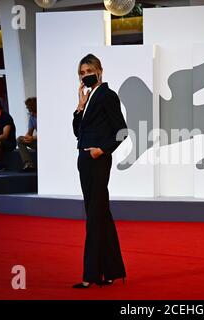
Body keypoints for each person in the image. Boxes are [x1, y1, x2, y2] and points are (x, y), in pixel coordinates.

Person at [72, 54, 128, 288]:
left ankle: (90, 275)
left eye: (89, 71)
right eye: (82, 73)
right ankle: (113, 271)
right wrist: (79, 107)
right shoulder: (88, 99)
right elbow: (78, 132)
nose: (86, 75)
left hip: (97, 160)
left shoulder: (107, 95)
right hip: (84, 159)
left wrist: (102, 150)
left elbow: (122, 131)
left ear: (100, 71)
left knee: (94, 216)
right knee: (101, 215)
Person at [17, 97, 37, 172]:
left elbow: (47, 134)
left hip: (48, 142)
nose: (27, 109)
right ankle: (28, 164)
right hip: (37, 141)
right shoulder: (32, 117)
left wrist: (33, 138)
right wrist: (26, 138)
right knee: (20, 139)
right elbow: (29, 133)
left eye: (28, 107)